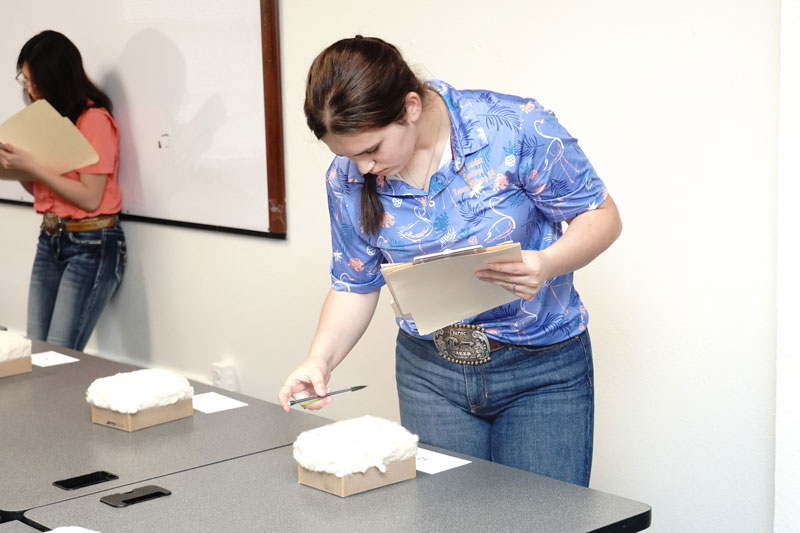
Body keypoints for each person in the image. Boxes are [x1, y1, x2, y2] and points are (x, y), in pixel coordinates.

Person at [278, 36, 622, 487]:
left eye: (372, 150)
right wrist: (318, 361)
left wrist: (547, 264)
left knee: (543, 520)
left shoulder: (513, 128)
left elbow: (601, 216)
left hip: (541, 370)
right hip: (431, 375)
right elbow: (353, 283)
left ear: (411, 107)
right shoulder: (347, 177)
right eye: (347, 156)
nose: (361, 168)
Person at [0, 30, 125, 352]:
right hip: (51, 237)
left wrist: (31, 166)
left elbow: (89, 197)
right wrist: (14, 167)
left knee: (59, 355)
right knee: (37, 350)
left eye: (32, 80)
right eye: (24, 80)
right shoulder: (48, 120)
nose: (29, 89)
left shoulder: (93, 119)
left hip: (91, 243)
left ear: (54, 78)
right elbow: (42, 187)